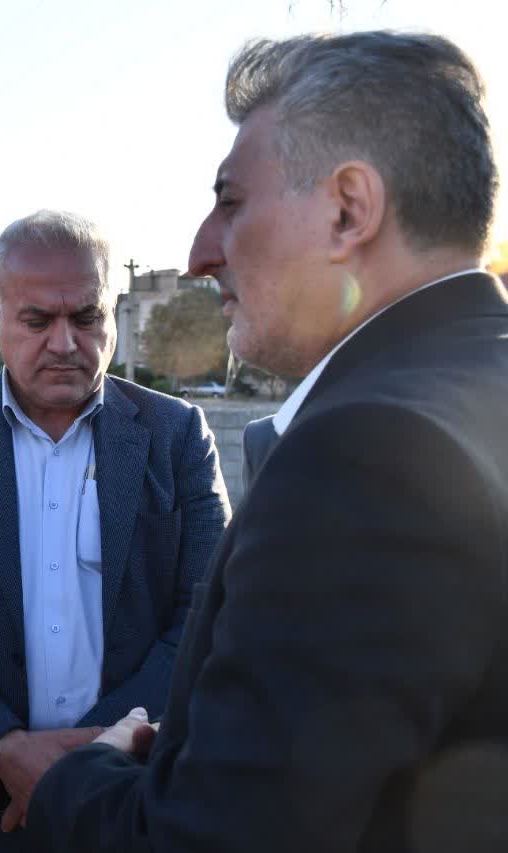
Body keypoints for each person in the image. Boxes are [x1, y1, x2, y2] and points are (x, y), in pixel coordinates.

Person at [27, 32, 508, 853]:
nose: (200, 252)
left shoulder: (365, 457)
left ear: (347, 209)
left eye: (232, 201)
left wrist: (81, 777)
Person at [0, 209, 231, 852]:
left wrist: (93, 756)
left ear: (113, 314)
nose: (64, 343)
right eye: (37, 320)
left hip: (132, 796)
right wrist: (4, 747)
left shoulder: (176, 436)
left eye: (86, 318)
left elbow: (210, 608)